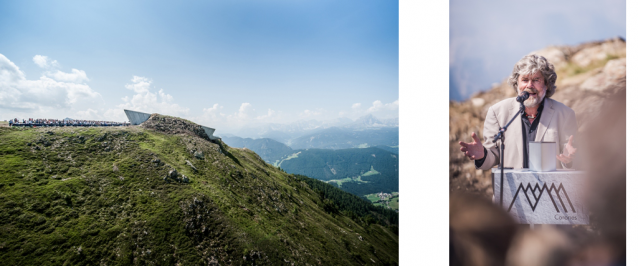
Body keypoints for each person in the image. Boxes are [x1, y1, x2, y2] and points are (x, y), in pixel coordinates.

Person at [459, 54, 578, 170]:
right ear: (517, 84)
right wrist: (482, 155)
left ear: (546, 84)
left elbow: (572, 158)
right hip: (513, 189)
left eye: (536, 80)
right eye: (525, 80)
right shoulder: (497, 112)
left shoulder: (565, 114)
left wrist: (570, 160)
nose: (529, 85)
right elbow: (493, 156)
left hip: (550, 188)